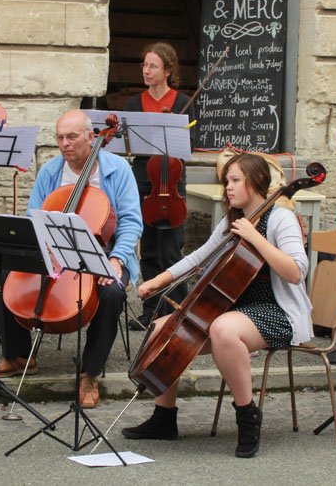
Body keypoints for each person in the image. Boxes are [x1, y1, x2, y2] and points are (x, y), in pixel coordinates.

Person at [122, 153, 312, 459]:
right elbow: (198, 258)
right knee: (160, 329)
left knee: (224, 329)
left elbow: (296, 272)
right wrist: (157, 280)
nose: (228, 188)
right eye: (227, 181)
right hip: (234, 310)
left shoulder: (281, 218)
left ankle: (247, 417)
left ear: (257, 181)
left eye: (235, 180)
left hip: (277, 311)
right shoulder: (232, 220)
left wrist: (256, 238)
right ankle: (164, 418)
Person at [0, 110, 142, 409]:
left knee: (111, 292)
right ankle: (19, 356)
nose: (65, 144)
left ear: (91, 137)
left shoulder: (117, 170)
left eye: (71, 137)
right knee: (7, 273)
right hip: (54, 251)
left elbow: (131, 222)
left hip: (104, 253)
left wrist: (117, 260)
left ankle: (90, 373)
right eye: (59, 138)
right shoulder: (51, 171)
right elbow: (34, 214)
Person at [124, 42, 194, 329]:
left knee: (172, 250)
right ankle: (151, 313)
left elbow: (190, 144)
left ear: (168, 70)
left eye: (153, 66)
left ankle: (178, 312)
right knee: (150, 250)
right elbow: (128, 143)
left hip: (172, 180)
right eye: (145, 65)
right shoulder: (134, 104)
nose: (147, 70)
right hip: (144, 180)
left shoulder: (183, 102)